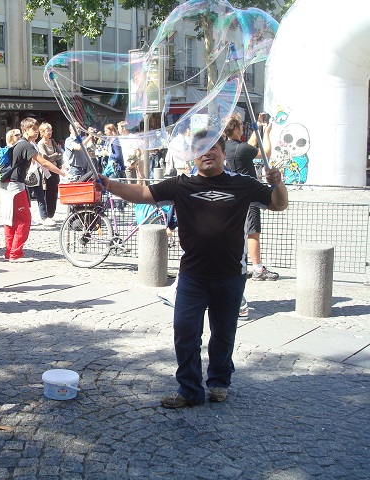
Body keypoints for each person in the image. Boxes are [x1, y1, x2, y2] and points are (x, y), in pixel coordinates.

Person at [96, 131, 288, 408]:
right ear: (192, 156)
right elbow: (141, 194)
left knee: (223, 334)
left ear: (224, 153)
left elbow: (278, 204)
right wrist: (109, 184)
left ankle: (219, 382)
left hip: (231, 275)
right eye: (200, 150)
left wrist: (278, 183)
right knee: (185, 332)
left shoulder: (244, 184)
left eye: (213, 149)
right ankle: (189, 390)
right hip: (192, 277)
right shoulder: (180, 184)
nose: (207, 153)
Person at [0, 118, 66, 262]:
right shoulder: (26, 145)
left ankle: (9, 251)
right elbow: (44, 162)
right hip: (16, 185)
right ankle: (15, 254)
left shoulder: (20, 144)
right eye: (33, 129)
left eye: (37, 129)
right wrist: (62, 173)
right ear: (25, 130)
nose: (36, 132)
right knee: (24, 219)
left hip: (8, 184)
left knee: (10, 219)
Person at [224, 113, 277, 280]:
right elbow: (266, 152)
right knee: (253, 232)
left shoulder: (229, 146)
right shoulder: (242, 148)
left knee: (240, 231)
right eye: (241, 126)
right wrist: (267, 133)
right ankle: (258, 268)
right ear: (237, 129)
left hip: (236, 195)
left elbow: (251, 143)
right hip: (249, 195)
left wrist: (259, 126)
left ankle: (241, 263)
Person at [36, 122, 64, 225]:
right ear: (42, 132)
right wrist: (55, 155)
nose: (50, 132)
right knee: (47, 193)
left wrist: (54, 156)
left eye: (51, 130)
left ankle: (52, 214)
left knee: (54, 192)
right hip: (47, 171)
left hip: (55, 169)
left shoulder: (52, 141)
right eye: (48, 130)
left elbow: (60, 153)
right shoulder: (41, 143)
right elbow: (44, 158)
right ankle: (47, 215)